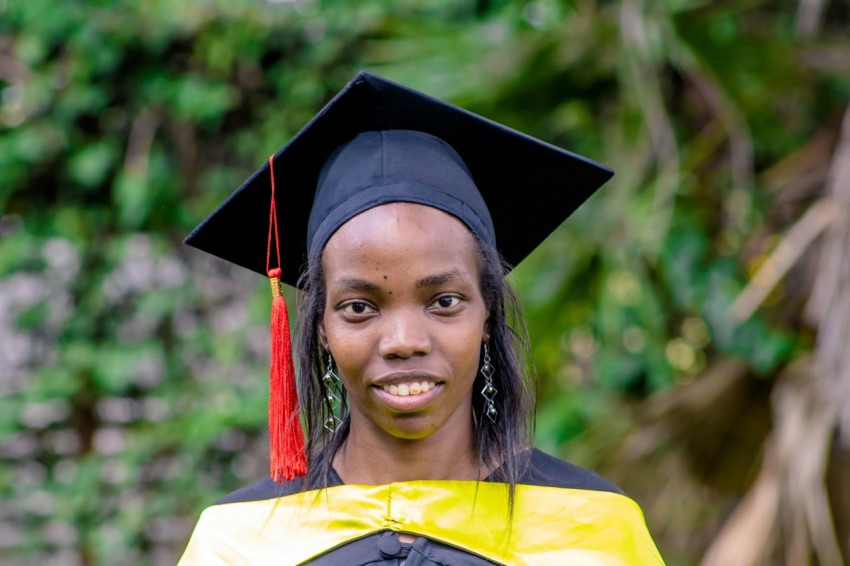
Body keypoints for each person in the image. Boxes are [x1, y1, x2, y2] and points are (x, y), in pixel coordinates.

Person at [178, 72, 663, 565]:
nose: (404, 341)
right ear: (321, 326)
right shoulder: (240, 544)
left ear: (489, 313)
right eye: (360, 308)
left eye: (444, 302)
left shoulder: (592, 534)